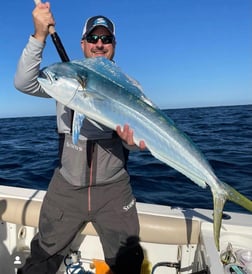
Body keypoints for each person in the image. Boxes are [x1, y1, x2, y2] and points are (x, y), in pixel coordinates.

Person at [14, 2, 146, 274]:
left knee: (128, 263)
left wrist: (132, 143)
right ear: (83, 43)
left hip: (114, 189)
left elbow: (140, 139)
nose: (99, 44)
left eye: (106, 39)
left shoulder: (130, 86)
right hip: (67, 186)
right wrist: (39, 36)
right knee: (40, 261)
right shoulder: (64, 77)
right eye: (93, 38)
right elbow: (24, 82)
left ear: (114, 44)